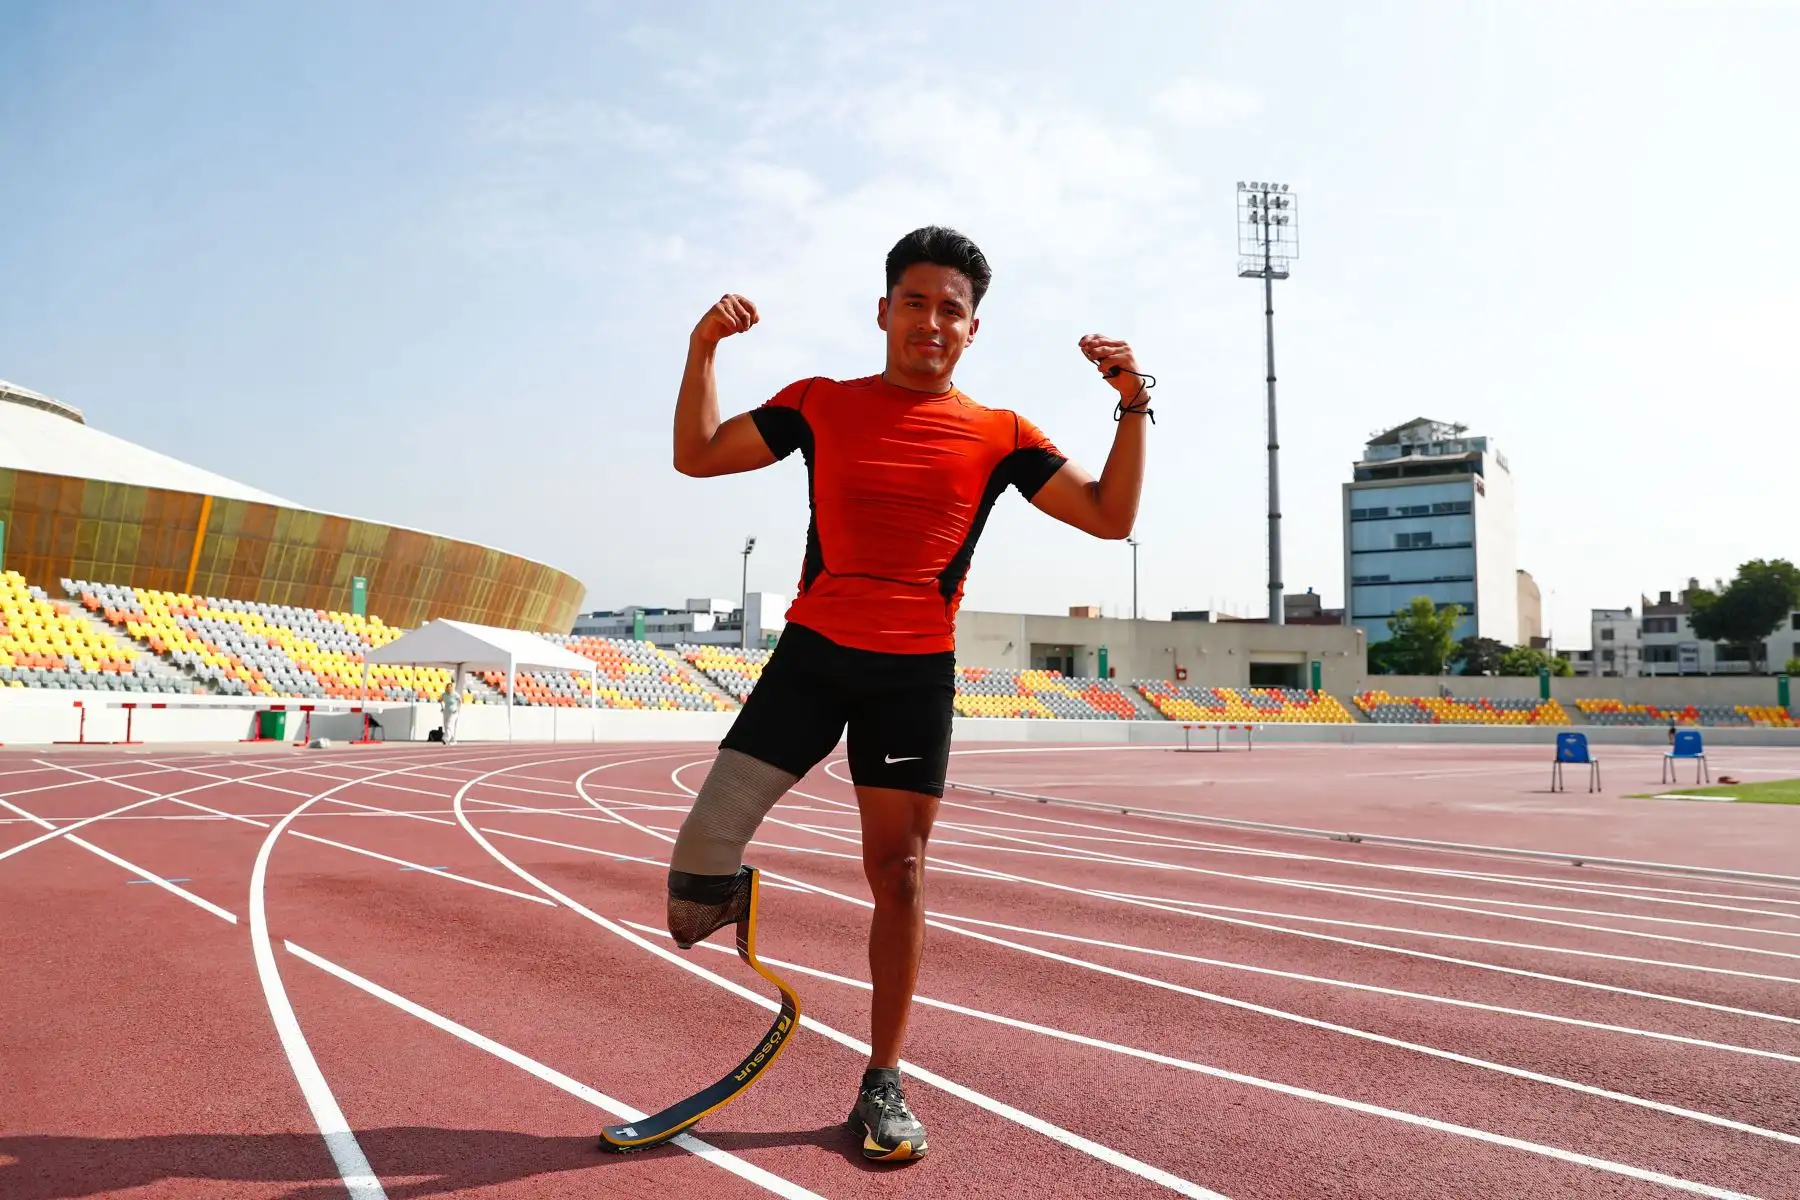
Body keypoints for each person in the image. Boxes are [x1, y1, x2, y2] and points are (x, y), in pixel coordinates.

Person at [664, 226, 1151, 1162]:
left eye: (952, 310)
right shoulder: (820, 404)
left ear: (974, 330)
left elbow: (1110, 518)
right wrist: (703, 349)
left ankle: (882, 1079)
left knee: (901, 876)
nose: (933, 321)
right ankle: (728, 897)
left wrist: (1133, 405)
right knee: (693, 878)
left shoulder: (1000, 433)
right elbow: (696, 455)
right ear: (884, 311)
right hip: (812, 654)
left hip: (912, 672)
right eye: (916, 302)